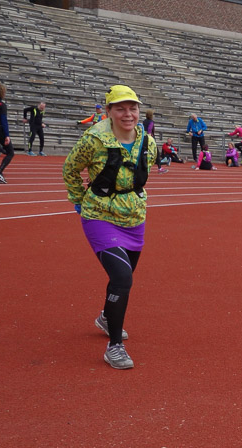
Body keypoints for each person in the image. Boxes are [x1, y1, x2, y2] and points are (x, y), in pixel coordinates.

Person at [62, 84, 157, 371]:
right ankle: (114, 346)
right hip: (99, 215)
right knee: (122, 279)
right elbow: (70, 168)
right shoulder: (93, 139)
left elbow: (141, 175)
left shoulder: (148, 142)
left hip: (134, 219)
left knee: (123, 279)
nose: (128, 114)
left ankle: (106, 316)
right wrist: (79, 200)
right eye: (120, 108)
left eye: (133, 108)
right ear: (109, 111)